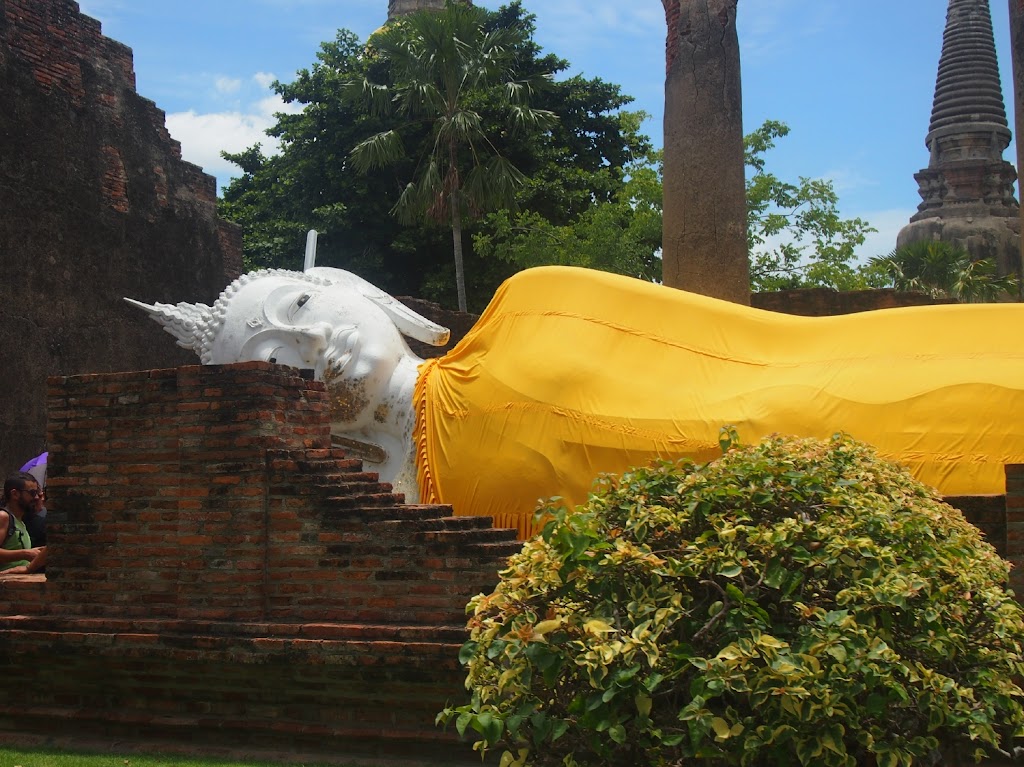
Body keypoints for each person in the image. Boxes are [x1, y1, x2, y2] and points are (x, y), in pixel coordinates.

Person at [131, 265, 1024, 538]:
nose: (310, 345)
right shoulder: (405, 501)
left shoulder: (536, 300)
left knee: (841, 395)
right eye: (276, 357)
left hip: (782, 408)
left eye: (299, 309)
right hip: (748, 524)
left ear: (352, 288)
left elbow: (745, 349)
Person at [0, 472, 47, 573]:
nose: (36, 497)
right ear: (15, 494)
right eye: (32, 493)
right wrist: (25, 553)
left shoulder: (20, 521)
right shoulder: (3, 517)